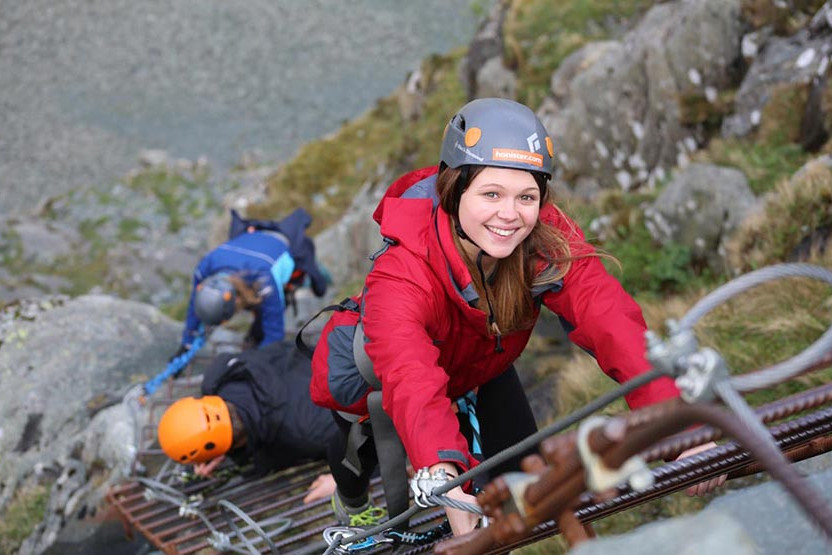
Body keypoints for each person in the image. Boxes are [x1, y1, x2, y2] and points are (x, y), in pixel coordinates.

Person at [308, 98, 721, 535]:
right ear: (454, 189)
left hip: (479, 364)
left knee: (526, 493)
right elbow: (409, 378)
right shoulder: (402, 273)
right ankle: (350, 500)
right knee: (357, 458)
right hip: (370, 381)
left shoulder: (544, 239)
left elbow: (611, 323)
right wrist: (445, 477)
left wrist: (683, 428)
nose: (509, 215)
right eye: (491, 194)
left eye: (526, 196)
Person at [157, 341, 348, 504]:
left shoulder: (306, 432)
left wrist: (344, 482)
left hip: (345, 379)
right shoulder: (223, 375)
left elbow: (365, 426)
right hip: (318, 355)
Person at [175, 208, 328, 359]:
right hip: (253, 242)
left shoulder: (265, 282)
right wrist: (187, 343)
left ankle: (254, 338)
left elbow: (274, 336)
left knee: (265, 315)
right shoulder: (205, 267)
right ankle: (253, 341)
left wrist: (254, 361)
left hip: (281, 247)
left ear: (236, 301)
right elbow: (194, 306)